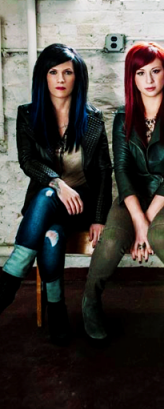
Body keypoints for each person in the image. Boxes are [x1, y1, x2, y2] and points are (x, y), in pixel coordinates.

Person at [82, 42, 164, 343]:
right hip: (130, 198)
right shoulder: (122, 115)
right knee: (112, 239)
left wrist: (147, 223)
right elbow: (122, 170)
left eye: (155, 71)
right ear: (132, 77)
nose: (149, 80)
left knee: (160, 235)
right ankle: (90, 301)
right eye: (140, 73)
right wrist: (138, 220)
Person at [0, 44, 112, 345]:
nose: (60, 79)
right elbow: (28, 161)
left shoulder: (92, 118)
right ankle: (57, 310)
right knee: (52, 235)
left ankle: (9, 280)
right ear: (43, 76)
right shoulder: (28, 114)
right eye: (53, 72)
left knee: (48, 200)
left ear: (78, 77)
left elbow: (104, 171)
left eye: (67, 72)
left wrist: (99, 217)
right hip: (48, 204)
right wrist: (57, 183)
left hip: (80, 205)